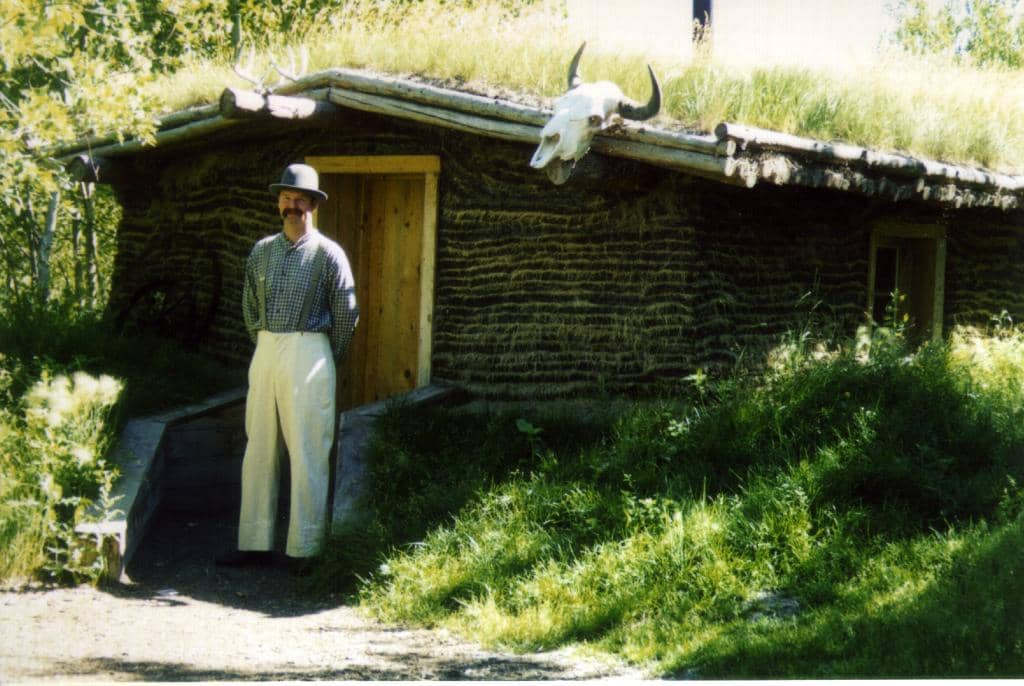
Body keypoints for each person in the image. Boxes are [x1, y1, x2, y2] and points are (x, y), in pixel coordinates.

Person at [218, 163, 359, 574]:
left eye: (299, 199)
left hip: (309, 349)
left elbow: (346, 314)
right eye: (285, 198)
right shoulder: (262, 251)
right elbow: (249, 305)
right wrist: (265, 342)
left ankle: (306, 548)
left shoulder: (329, 254)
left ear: (313, 205)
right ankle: (254, 543)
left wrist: (323, 353)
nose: (291, 206)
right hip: (266, 347)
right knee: (259, 447)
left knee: (308, 447)